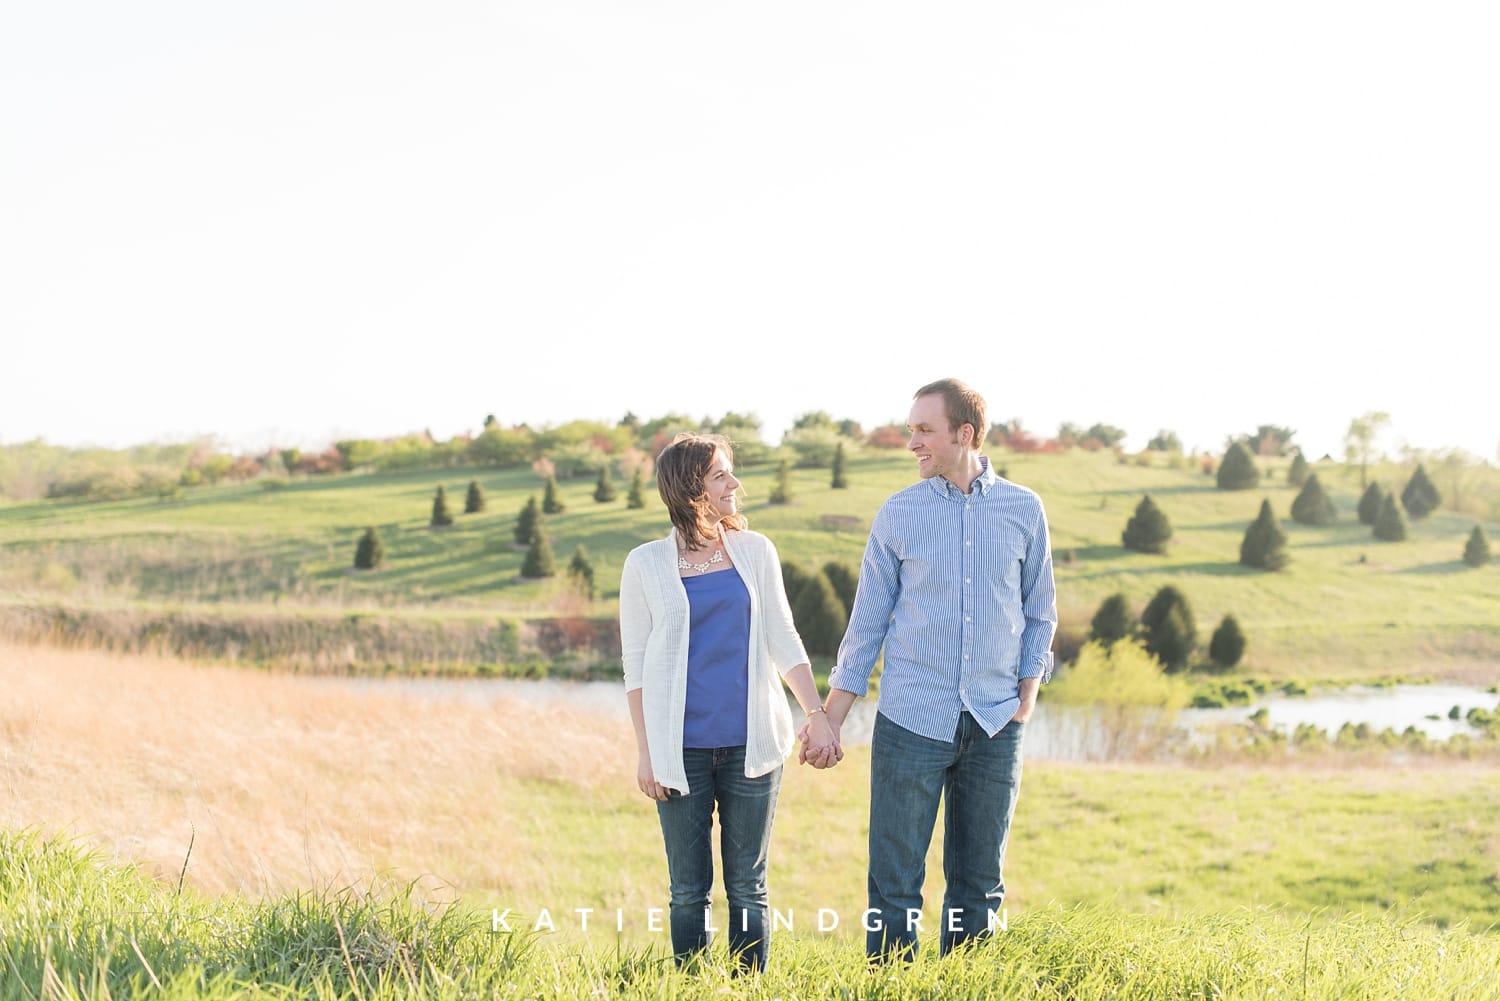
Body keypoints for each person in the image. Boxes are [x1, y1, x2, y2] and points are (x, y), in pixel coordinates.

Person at [807, 378, 1057, 961]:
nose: (911, 441)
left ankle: (968, 986)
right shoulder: (898, 514)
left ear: (963, 433)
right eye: (911, 428)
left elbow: (1040, 613)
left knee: (979, 887)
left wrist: (1026, 699)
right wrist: (831, 718)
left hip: (996, 723)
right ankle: (892, 986)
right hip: (911, 720)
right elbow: (866, 627)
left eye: (924, 430)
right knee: (893, 887)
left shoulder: (1023, 510)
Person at [620, 432, 839, 974]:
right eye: (721, 475)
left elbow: (784, 639)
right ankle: (692, 986)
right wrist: (647, 753)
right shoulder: (645, 564)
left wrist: (816, 714)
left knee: (748, 885)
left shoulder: (754, 551)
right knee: (688, 890)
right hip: (681, 752)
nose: (735, 483)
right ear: (692, 488)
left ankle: (747, 986)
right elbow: (636, 668)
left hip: (752, 747)